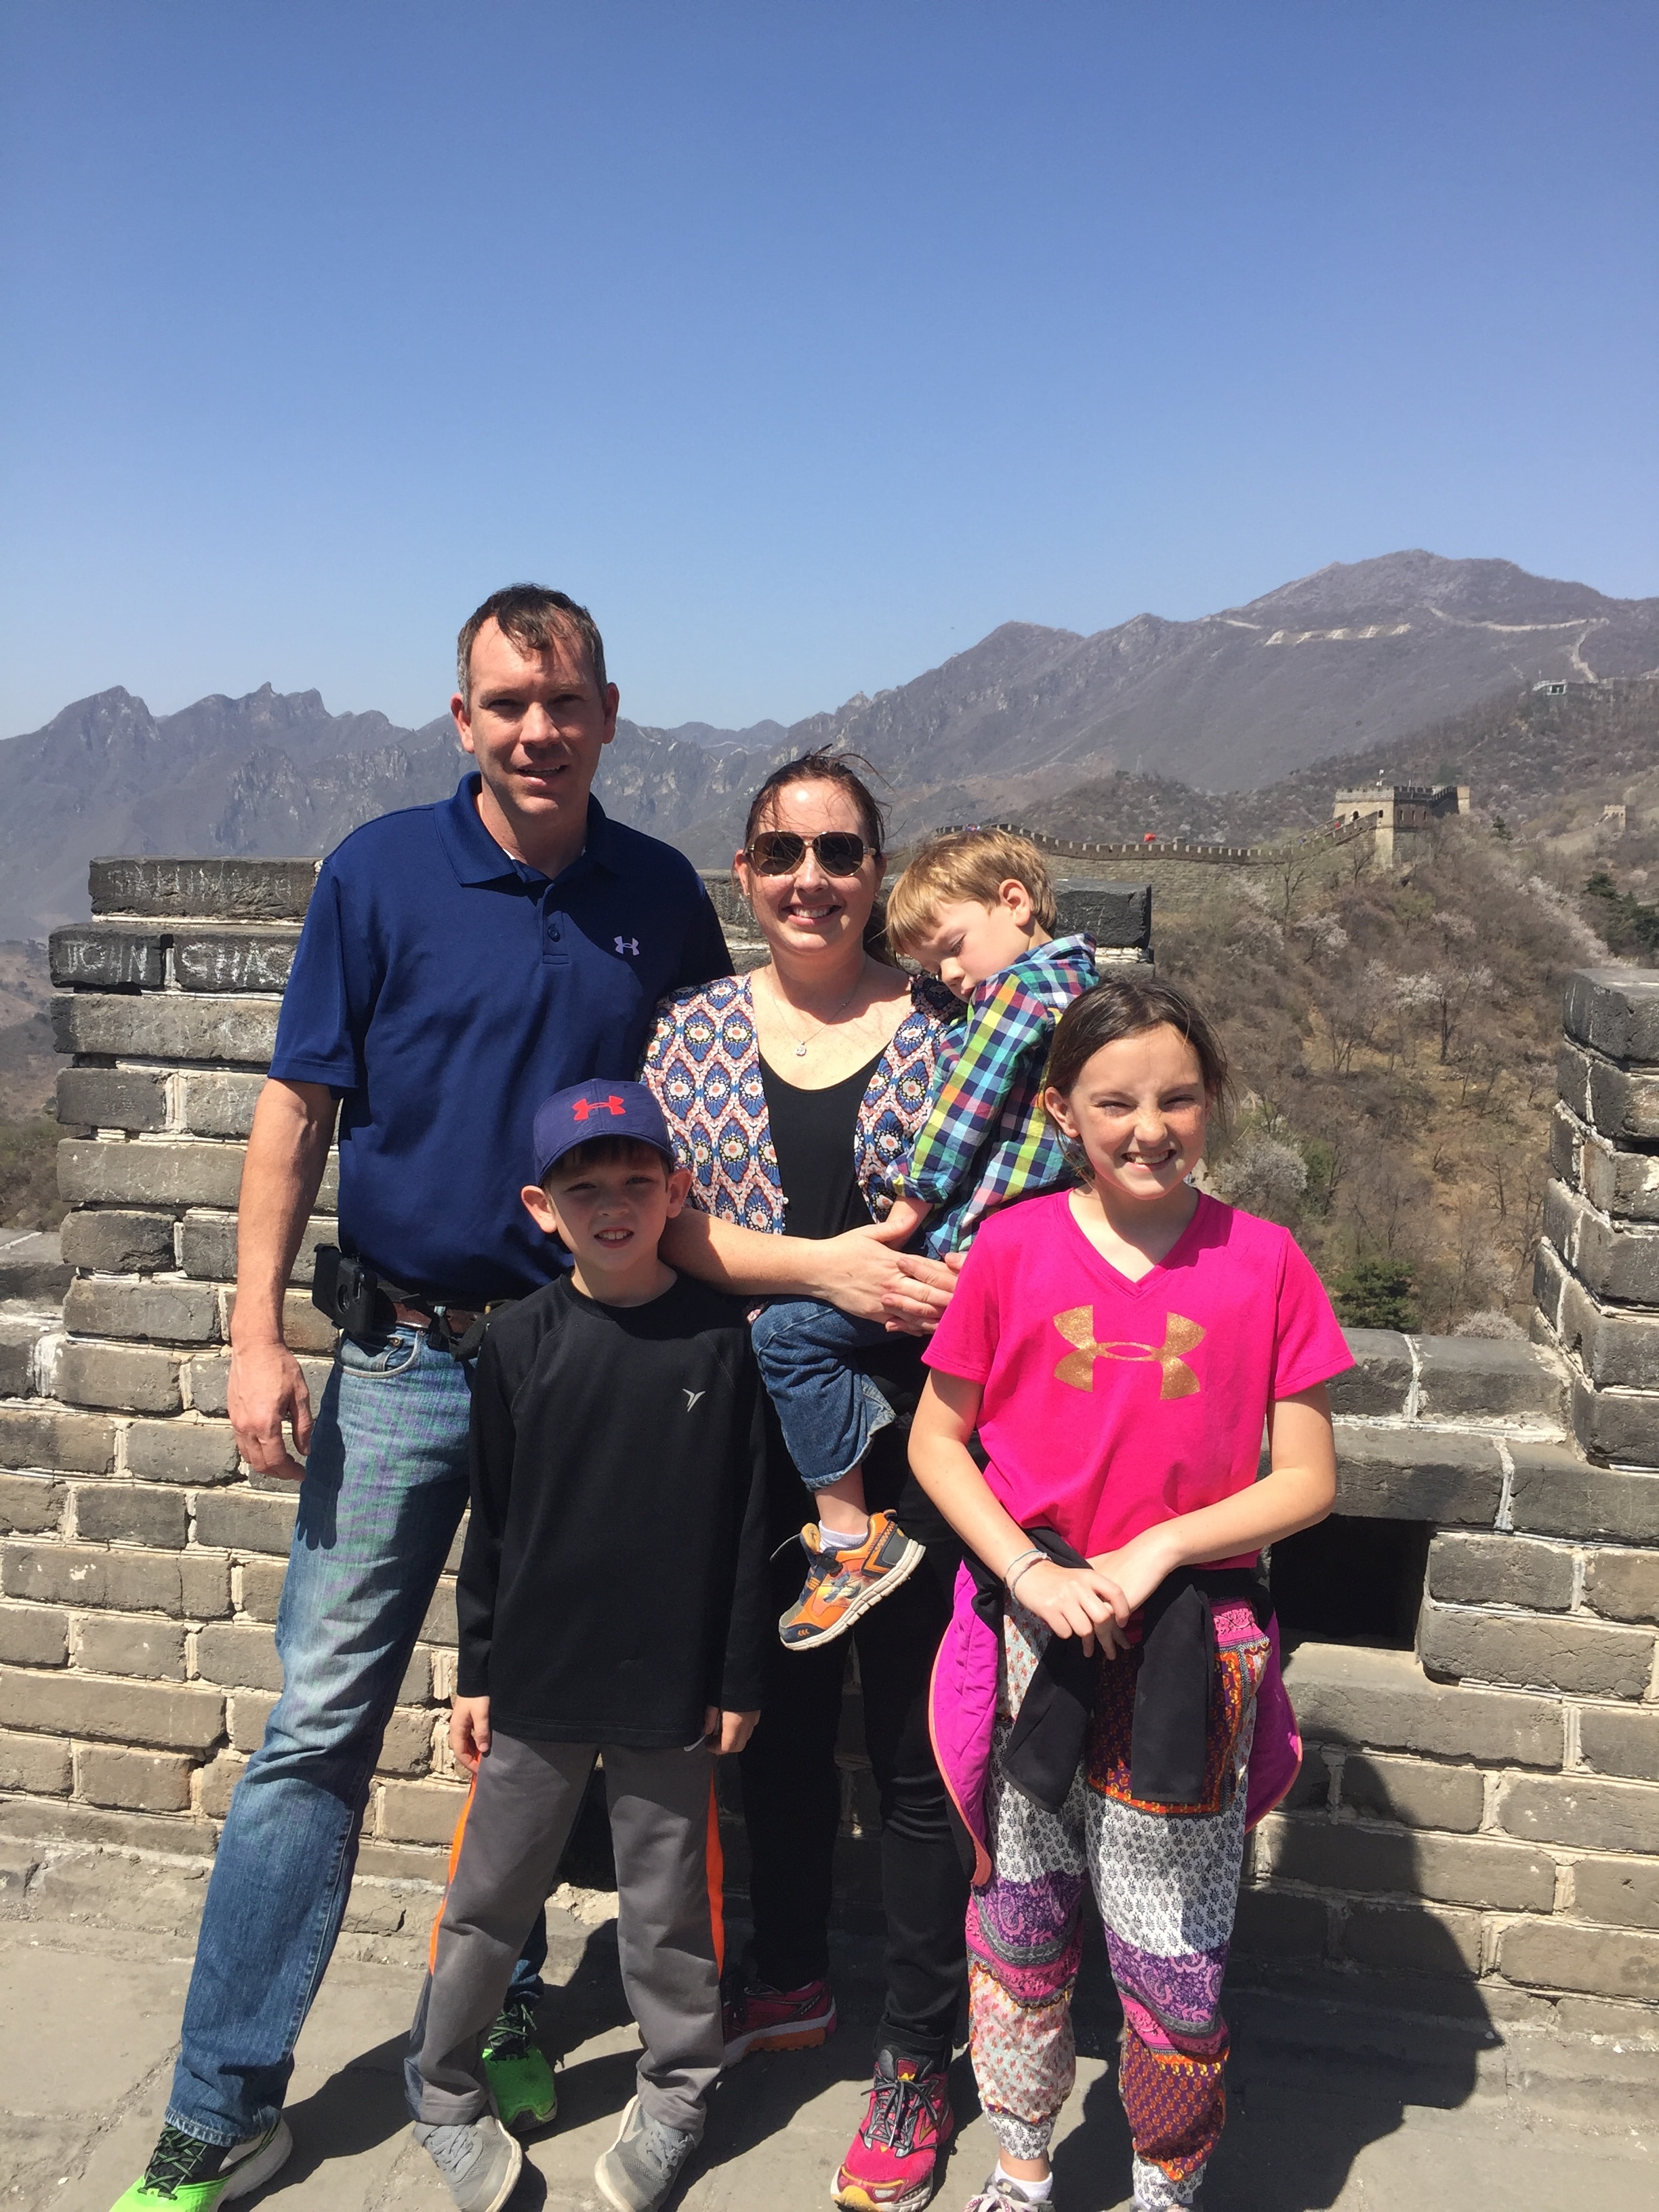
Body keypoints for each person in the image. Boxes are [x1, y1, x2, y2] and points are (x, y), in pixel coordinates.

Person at [112, 586, 732, 2212]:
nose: (537, 730)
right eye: (506, 703)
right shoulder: (379, 873)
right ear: (464, 719)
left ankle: (497, 2009)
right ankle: (224, 2100)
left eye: (564, 701)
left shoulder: (660, 897)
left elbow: (706, 1121)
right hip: (400, 1358)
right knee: (320, 1725)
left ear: (608, 715)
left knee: (541, 1716)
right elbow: (295, 1110)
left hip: (581, 1370)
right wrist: (254, 1332)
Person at [909, 972, 1351, 2212]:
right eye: (1115, 1102)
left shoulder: (1264, 1262)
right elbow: (937, 1441)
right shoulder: (1012, 1250)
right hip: (1032, 1627)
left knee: (1174, 1949)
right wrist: (1028, 1569)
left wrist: (1158, 1548)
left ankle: (1165, 2182)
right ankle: (1019, 2163)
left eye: (1178, 1098)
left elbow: (1308, 1477)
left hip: (1190, 1641)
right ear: (1061, 1111)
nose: (1149, 1128)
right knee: (1019, 1917)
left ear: (1211, 1102)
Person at [642, 752, 970, 2212]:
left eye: (839, 852)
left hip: (925, 1435)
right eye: (782, 852)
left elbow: (1012, 1208)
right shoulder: (693, 1031)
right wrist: (827, 1270)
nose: (810, 879)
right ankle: (784, 1976)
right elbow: (670, 1226)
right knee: (764, 1723)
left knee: (912, 1752)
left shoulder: (951, 1028)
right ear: (745, 871)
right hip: (756, 1436)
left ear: (876, 870)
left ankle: (917, 2052)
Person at [404, 1080, 771, 2212]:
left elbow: (751, 1527)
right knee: (488, 1895)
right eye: (584, 1188)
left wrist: (737, 1674)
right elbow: (493, 1520)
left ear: (676, 1191)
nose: (612, 1206)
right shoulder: (516, 1340)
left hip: (672, 1678)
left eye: (635, 1183)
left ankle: (678, 2093)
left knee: (669, 1908)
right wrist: (476, 1668)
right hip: (538, 1673)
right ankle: (441, 2087)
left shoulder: (723, 1342)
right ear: (541, 1206)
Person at [752, 827, 1099, 1648]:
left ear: (1014, 901)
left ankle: (848, 1540)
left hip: (966, 1255)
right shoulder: (1083, 999)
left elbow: (963, 1109)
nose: (950, 976)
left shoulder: (1024, 994)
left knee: (786, 1337)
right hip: (1025, 1261)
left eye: (952, 947)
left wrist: (910, 1205)